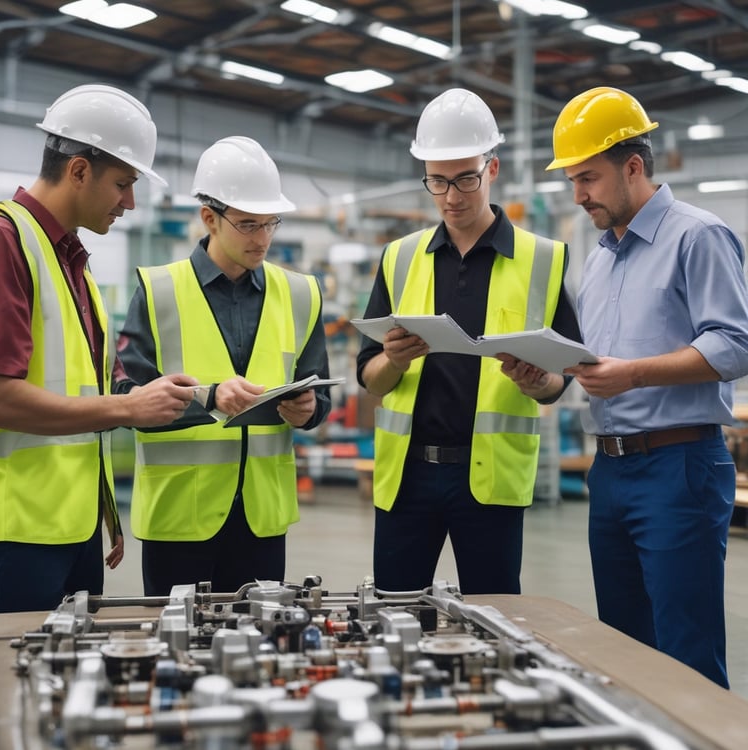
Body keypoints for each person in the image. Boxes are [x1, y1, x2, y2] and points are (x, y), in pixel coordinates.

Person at [546, 86, 748, 688]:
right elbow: (597, 360)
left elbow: (735, 344)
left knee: (686, 655)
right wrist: (547, 372)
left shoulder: (698, 236)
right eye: (573, 181)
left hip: (677, 466)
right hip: (609, 472)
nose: (578, 195)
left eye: (588, 178)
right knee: (623, 652)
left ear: (633, 167)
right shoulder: (600, 257)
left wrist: (633, 374)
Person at [0, 84, 198, 614]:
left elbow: (83, 391)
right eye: (123, 184)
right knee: (4, 667)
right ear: (78, 170)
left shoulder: (69, 258)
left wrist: (103, 510)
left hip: (68, 528)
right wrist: (128, 409)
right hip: (11, 532)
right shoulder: (1, 239)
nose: (130, 202)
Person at [356, 88, 581, 596]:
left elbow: (561, 378)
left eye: (465, 179)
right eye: (437, 181)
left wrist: (537, 381)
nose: (451, 197)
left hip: (490, 479)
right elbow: (371, 379)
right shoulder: (399, 258)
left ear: (492, 169)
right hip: (407, 478)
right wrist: (393, 361)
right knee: (396, 610)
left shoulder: (542, 260)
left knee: (496, 614)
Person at [112, 136, 332, 596]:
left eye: (270, 223)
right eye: (249, 224)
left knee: (261, 634)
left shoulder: (301, 294)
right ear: (209, 217)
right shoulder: (158, 291)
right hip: (180, 517)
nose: (263, 238)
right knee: (179, 637)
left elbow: (320, 394)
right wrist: (209, 398)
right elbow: (126, 396)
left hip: (262, 517)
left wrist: (310, 410)